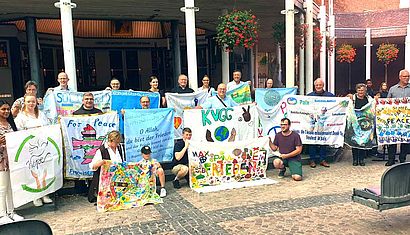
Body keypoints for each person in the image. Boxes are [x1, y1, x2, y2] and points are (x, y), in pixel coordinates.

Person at [14, 94, 52, 207]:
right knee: (33, 172)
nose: (31, 104)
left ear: (36, 103)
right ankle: (35, 196)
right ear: (25, 103)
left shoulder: (41, 115)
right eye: (29, 102)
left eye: (33, 102)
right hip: (30, 149)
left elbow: (48, 127)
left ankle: (45, 194)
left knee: (44, 171)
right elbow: (18, 133)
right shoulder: (20, 117)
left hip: (42, 147)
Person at [0, 100, 24, 223]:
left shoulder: (10, 123)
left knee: (10, 187)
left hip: (11, 158)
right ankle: (2, 214)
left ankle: (11, 211)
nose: (6, 112)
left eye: (8, 109)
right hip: (1, 160)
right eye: (3, 109)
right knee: (2, 187)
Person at [88, 130, 126, 203]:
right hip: (105, 181)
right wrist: (101, 162)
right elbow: (93, 166)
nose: (117, 144)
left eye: (118, 142)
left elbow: (122, 162)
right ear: (110, 140)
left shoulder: (120, 148)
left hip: (117, 178)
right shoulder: (101, 150)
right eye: (116, 143)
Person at [306, 78, 334, 168]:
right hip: (313, 122)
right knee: (312, 140)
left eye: (320, 85)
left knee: (323, 140)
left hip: (323, 123)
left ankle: (323, 159)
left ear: (323, 85)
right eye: (317, 85)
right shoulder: (309, 96)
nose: (318, 86)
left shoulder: (330, 96)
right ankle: (312, 159)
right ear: (314, 86)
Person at [385, 69, 410, 166]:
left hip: (406, 119)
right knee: (392, 139)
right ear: (400, 77)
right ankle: (391, 159)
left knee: (405, 139)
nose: (407, 78)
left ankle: (402, 158)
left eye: (408, 76)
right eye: (405, 76)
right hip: (394, 119)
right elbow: (387, 102)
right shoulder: (393, 89)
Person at [349, 83, 372, 166]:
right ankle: (355, 159)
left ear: (365, 90)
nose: (360, 91)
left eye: (362, 90)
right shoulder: (352, 98)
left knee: (363, 141)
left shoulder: (369, 99)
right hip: (355, 122)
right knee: (354, 141)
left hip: (365, 123)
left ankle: (361, 159)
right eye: (359, 90)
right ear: (356, 90)